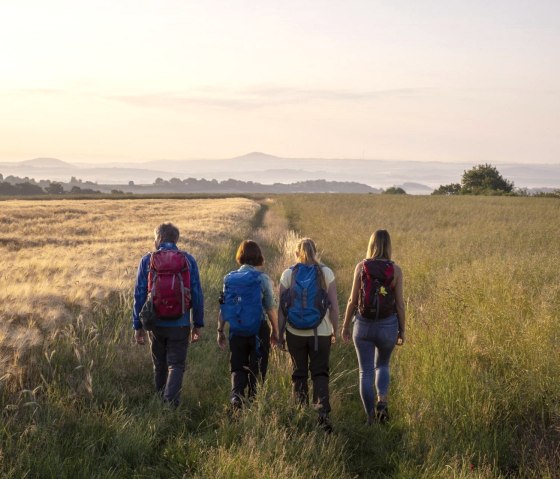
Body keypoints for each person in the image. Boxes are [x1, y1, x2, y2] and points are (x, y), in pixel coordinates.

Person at [133, 222, 204, 407]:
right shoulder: (188, 260)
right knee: (176, 364)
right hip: (180, 322)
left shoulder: (147, 260)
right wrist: (197, 323)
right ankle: (170, 404)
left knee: (160, 364)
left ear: (158, 239)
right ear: (176, 239)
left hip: (154, 323)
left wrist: (137, 325)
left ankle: (160, 399)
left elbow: (139, 294)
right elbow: (196, 293)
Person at [341, 229, 405, 424]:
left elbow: (353, 300)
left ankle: (370, 418)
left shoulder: (361, 267)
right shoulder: (395, 270)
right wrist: (402, 330)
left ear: (371, 245)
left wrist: (345, 326)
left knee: (365, 371)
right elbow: (400, 304)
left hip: (363, 325)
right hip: (388, 326)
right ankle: (382, 402)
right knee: (383, 364)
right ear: (389, 246)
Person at [278, 238, 340, 432]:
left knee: (299, 374)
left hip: (294, 332)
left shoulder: (289, 274)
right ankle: (322, 415)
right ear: (316, 252)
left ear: (297, 254)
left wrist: (279, 334)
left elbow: (281, 309)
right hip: (320, 333)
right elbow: (334, 307)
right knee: (320, 373)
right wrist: (334, 330)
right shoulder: (326, 272)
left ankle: (301, 415)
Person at [217, 239, 279, 410]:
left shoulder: (229, 278)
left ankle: (236, 398)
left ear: (240, 257)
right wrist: (275, 330)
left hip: (237, 329)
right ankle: (254, 401)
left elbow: (224, 307)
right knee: (258, 366)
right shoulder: (263, 279)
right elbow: (271, 308)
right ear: (259, 257)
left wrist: (220, 330)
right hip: (258, 329)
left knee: (237, 365)